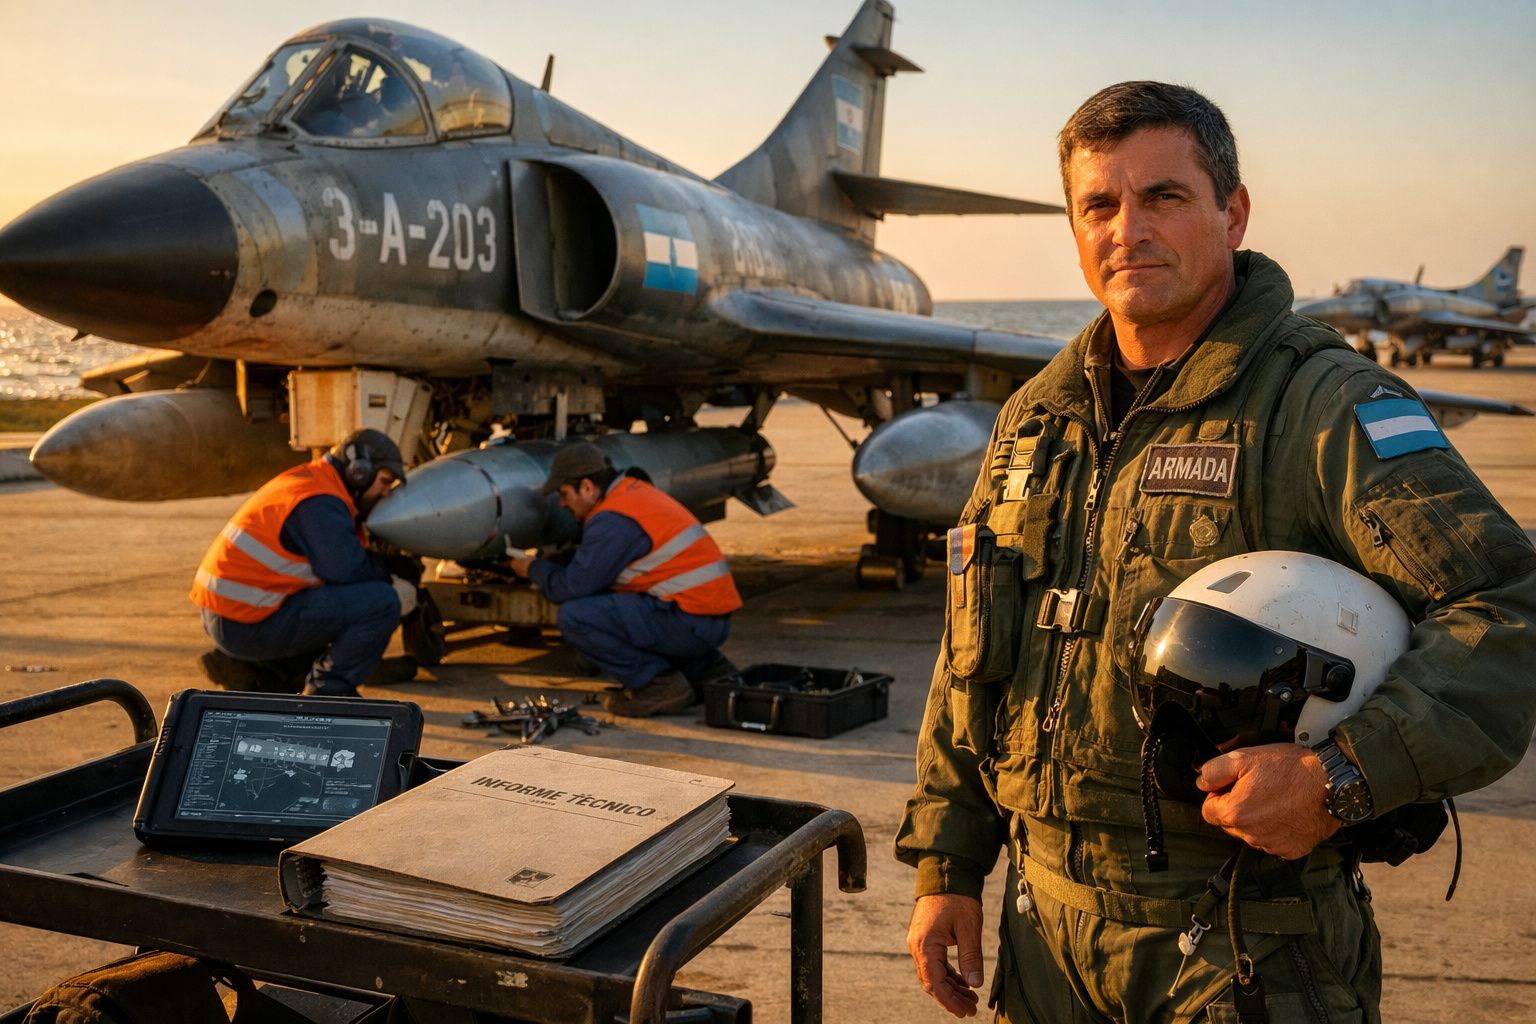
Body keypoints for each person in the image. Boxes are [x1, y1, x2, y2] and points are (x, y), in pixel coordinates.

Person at [895, 80, 1536, 1022]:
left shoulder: (1321, 406)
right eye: (1099, 206)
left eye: (1164, 197)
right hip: (1045, 936)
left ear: (1232, 213)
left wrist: (1339, 779)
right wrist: (948, 864)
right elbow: (973, 655)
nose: (1128, 231)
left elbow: (1506, 609)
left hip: (1242, 944)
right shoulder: (1038, 421)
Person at [504, 442, 741, 718]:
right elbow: (604, 564)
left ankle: (658, 686)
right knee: (622, 608)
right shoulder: (631, 494)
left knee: (576, 617)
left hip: (690, 622)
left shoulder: (612, 520)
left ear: (588, 488)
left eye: (565, 493)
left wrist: (532, 568)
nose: (562, 503)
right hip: (707, 618)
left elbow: (571, 587)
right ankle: (706, 670)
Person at [192, 429, 419, 697]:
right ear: (360, 472)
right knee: (381, 602)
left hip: (231, 616)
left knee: (340, 603)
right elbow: (346, 570)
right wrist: (388, 568)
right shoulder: (320, 503)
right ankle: (330, 692)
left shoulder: (311, 482)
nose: (385, 493)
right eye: (385, 481)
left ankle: (259, 673)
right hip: (245, 625)